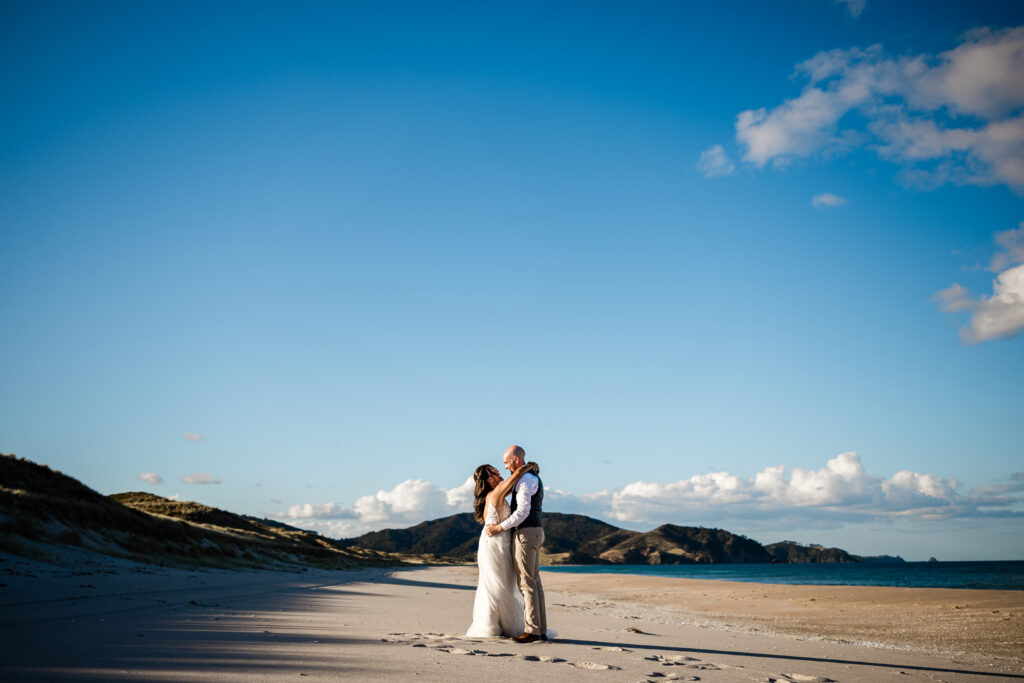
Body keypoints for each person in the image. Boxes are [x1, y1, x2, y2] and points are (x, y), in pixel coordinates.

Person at [465, 458, 539, 638]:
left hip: (494, 541)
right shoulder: (497, 492)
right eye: (494, 472)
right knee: (499, 584)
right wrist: (528, 467)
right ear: (488, 479)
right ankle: (494, 625)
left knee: (499, 584)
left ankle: (497, 623)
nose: (499, 473)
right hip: (496, 542)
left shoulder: (493, 494)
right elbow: (514, 479)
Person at [485, 444, 547, 643]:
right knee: (535, 582)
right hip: (536, 531)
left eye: (506, 462)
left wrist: (499, 528)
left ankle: (532, 630)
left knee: (527, 584)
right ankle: (540, 629)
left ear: (515, 460)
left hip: (526, 534)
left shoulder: (525, 480)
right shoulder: (531, 477)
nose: (504, 467)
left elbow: (522, 513)